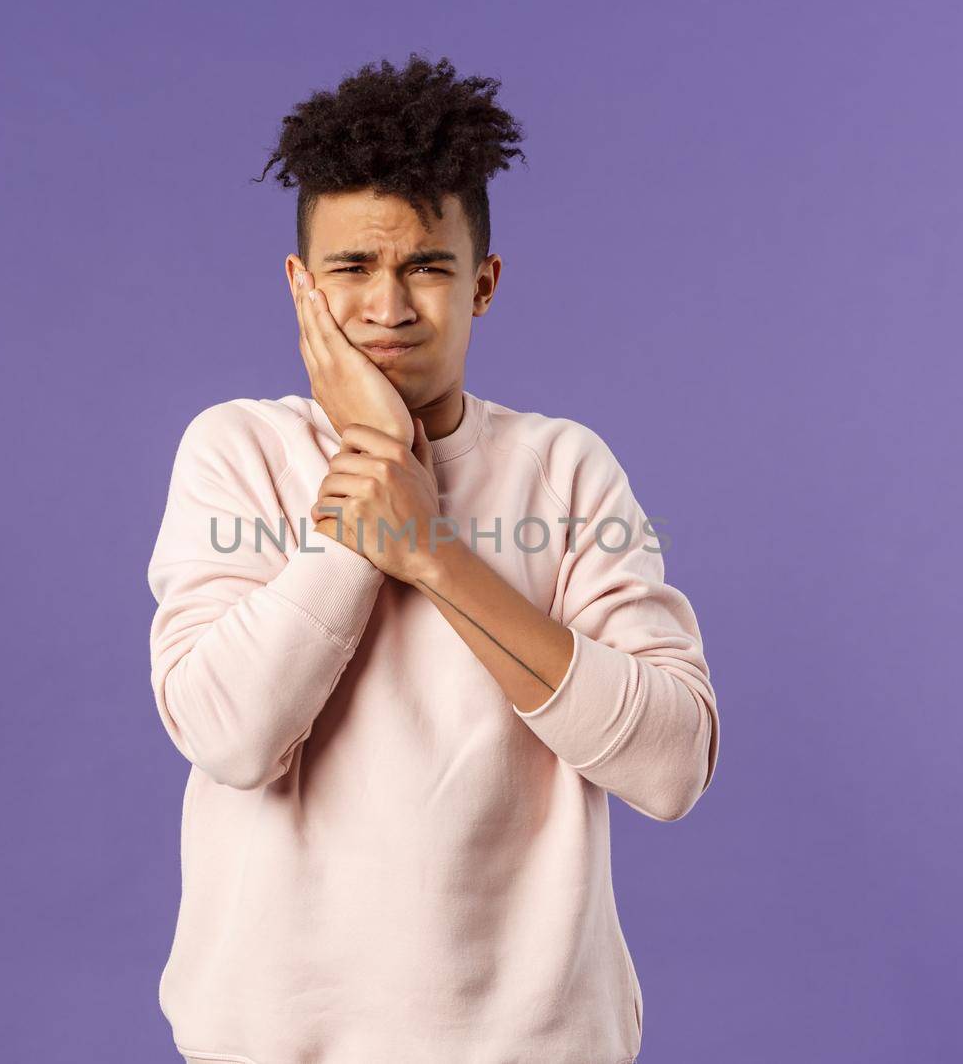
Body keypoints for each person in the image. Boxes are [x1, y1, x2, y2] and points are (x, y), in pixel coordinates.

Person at [145, 53, 719, 1064]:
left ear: (483, 283)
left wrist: (434, 552)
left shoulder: (566, 469)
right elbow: (230, 735)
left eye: (426, 265)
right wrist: (372, 469)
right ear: (300, 286)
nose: (389, 305)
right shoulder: (236, 452)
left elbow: (670, 764)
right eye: (352, 269)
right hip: (273, 1042)